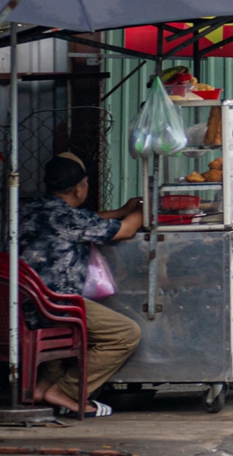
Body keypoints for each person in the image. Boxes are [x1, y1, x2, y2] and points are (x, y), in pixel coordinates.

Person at [18, 154, 145, 417]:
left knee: (81, 329)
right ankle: (68, 391)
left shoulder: (31, 210)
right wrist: (147, 209)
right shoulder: (69, 219)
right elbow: (125, 231)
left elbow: (89, 219)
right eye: (86, 183)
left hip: (21, 305)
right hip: (54, 307)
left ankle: (42, 388)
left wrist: (122, 210)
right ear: (78, 188)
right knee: (125, 333)